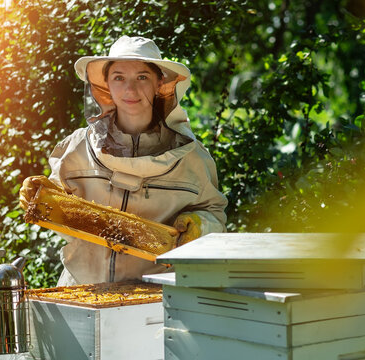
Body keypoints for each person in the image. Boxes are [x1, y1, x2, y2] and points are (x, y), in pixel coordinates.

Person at [19, 35, 228, 286]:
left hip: (157, 298)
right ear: (106, 84)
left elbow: (216, 217)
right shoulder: (75, 148)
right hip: (83, 289)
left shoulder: (192, 158)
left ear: (159, 83)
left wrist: (200, 226)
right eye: (119, 77)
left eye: (142, 77)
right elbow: (59, 218)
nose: (130, 90)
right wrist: (42, 199)